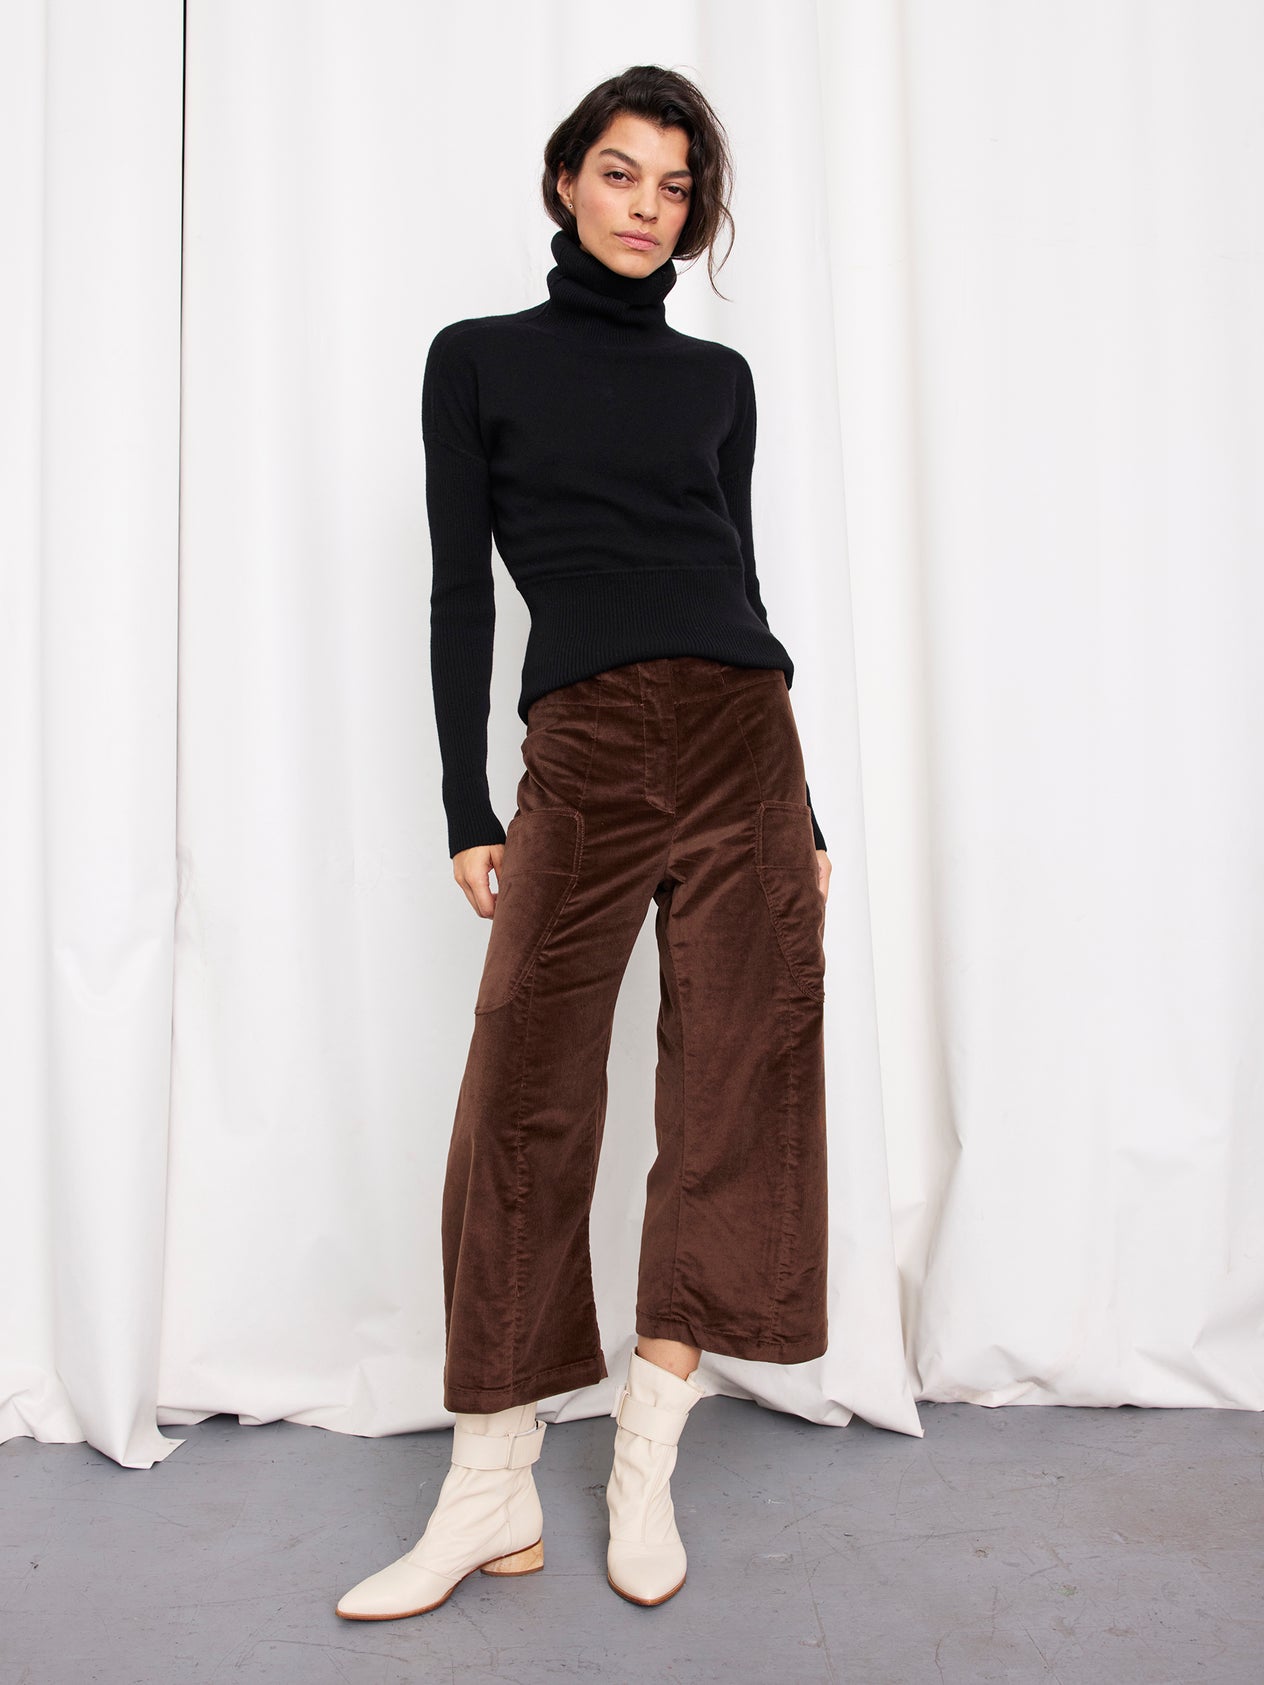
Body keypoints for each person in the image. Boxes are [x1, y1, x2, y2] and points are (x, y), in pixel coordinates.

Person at [337, 63, 830, 1622]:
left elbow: (737, 579)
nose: (647, 208)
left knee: (734, 1087)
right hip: (590, 746)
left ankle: (646, 1455)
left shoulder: (719, 382)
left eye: (676, 187)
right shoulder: (476, 360)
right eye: (621, 174)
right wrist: (465, 804)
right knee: (523, 1097)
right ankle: (488, 1483)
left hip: (747, 744)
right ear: (565, 180)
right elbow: (459, 589)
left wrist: (804, 812)